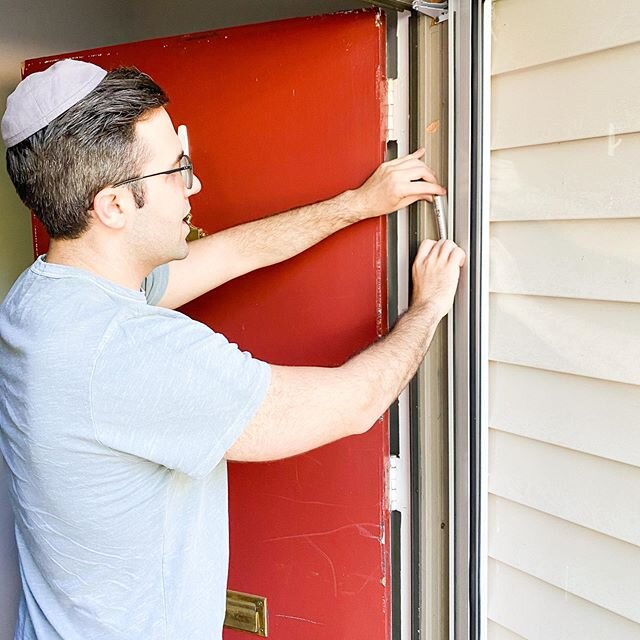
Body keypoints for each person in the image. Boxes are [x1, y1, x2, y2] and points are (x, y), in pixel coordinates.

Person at [0, 60, 464, 640]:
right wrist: (430, 306)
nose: (193, 184)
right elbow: (357, 403)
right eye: (176, 168)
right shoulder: (132, 353)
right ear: (113, 205)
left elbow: (230, 254)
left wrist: (356, 204)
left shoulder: (44, 298)